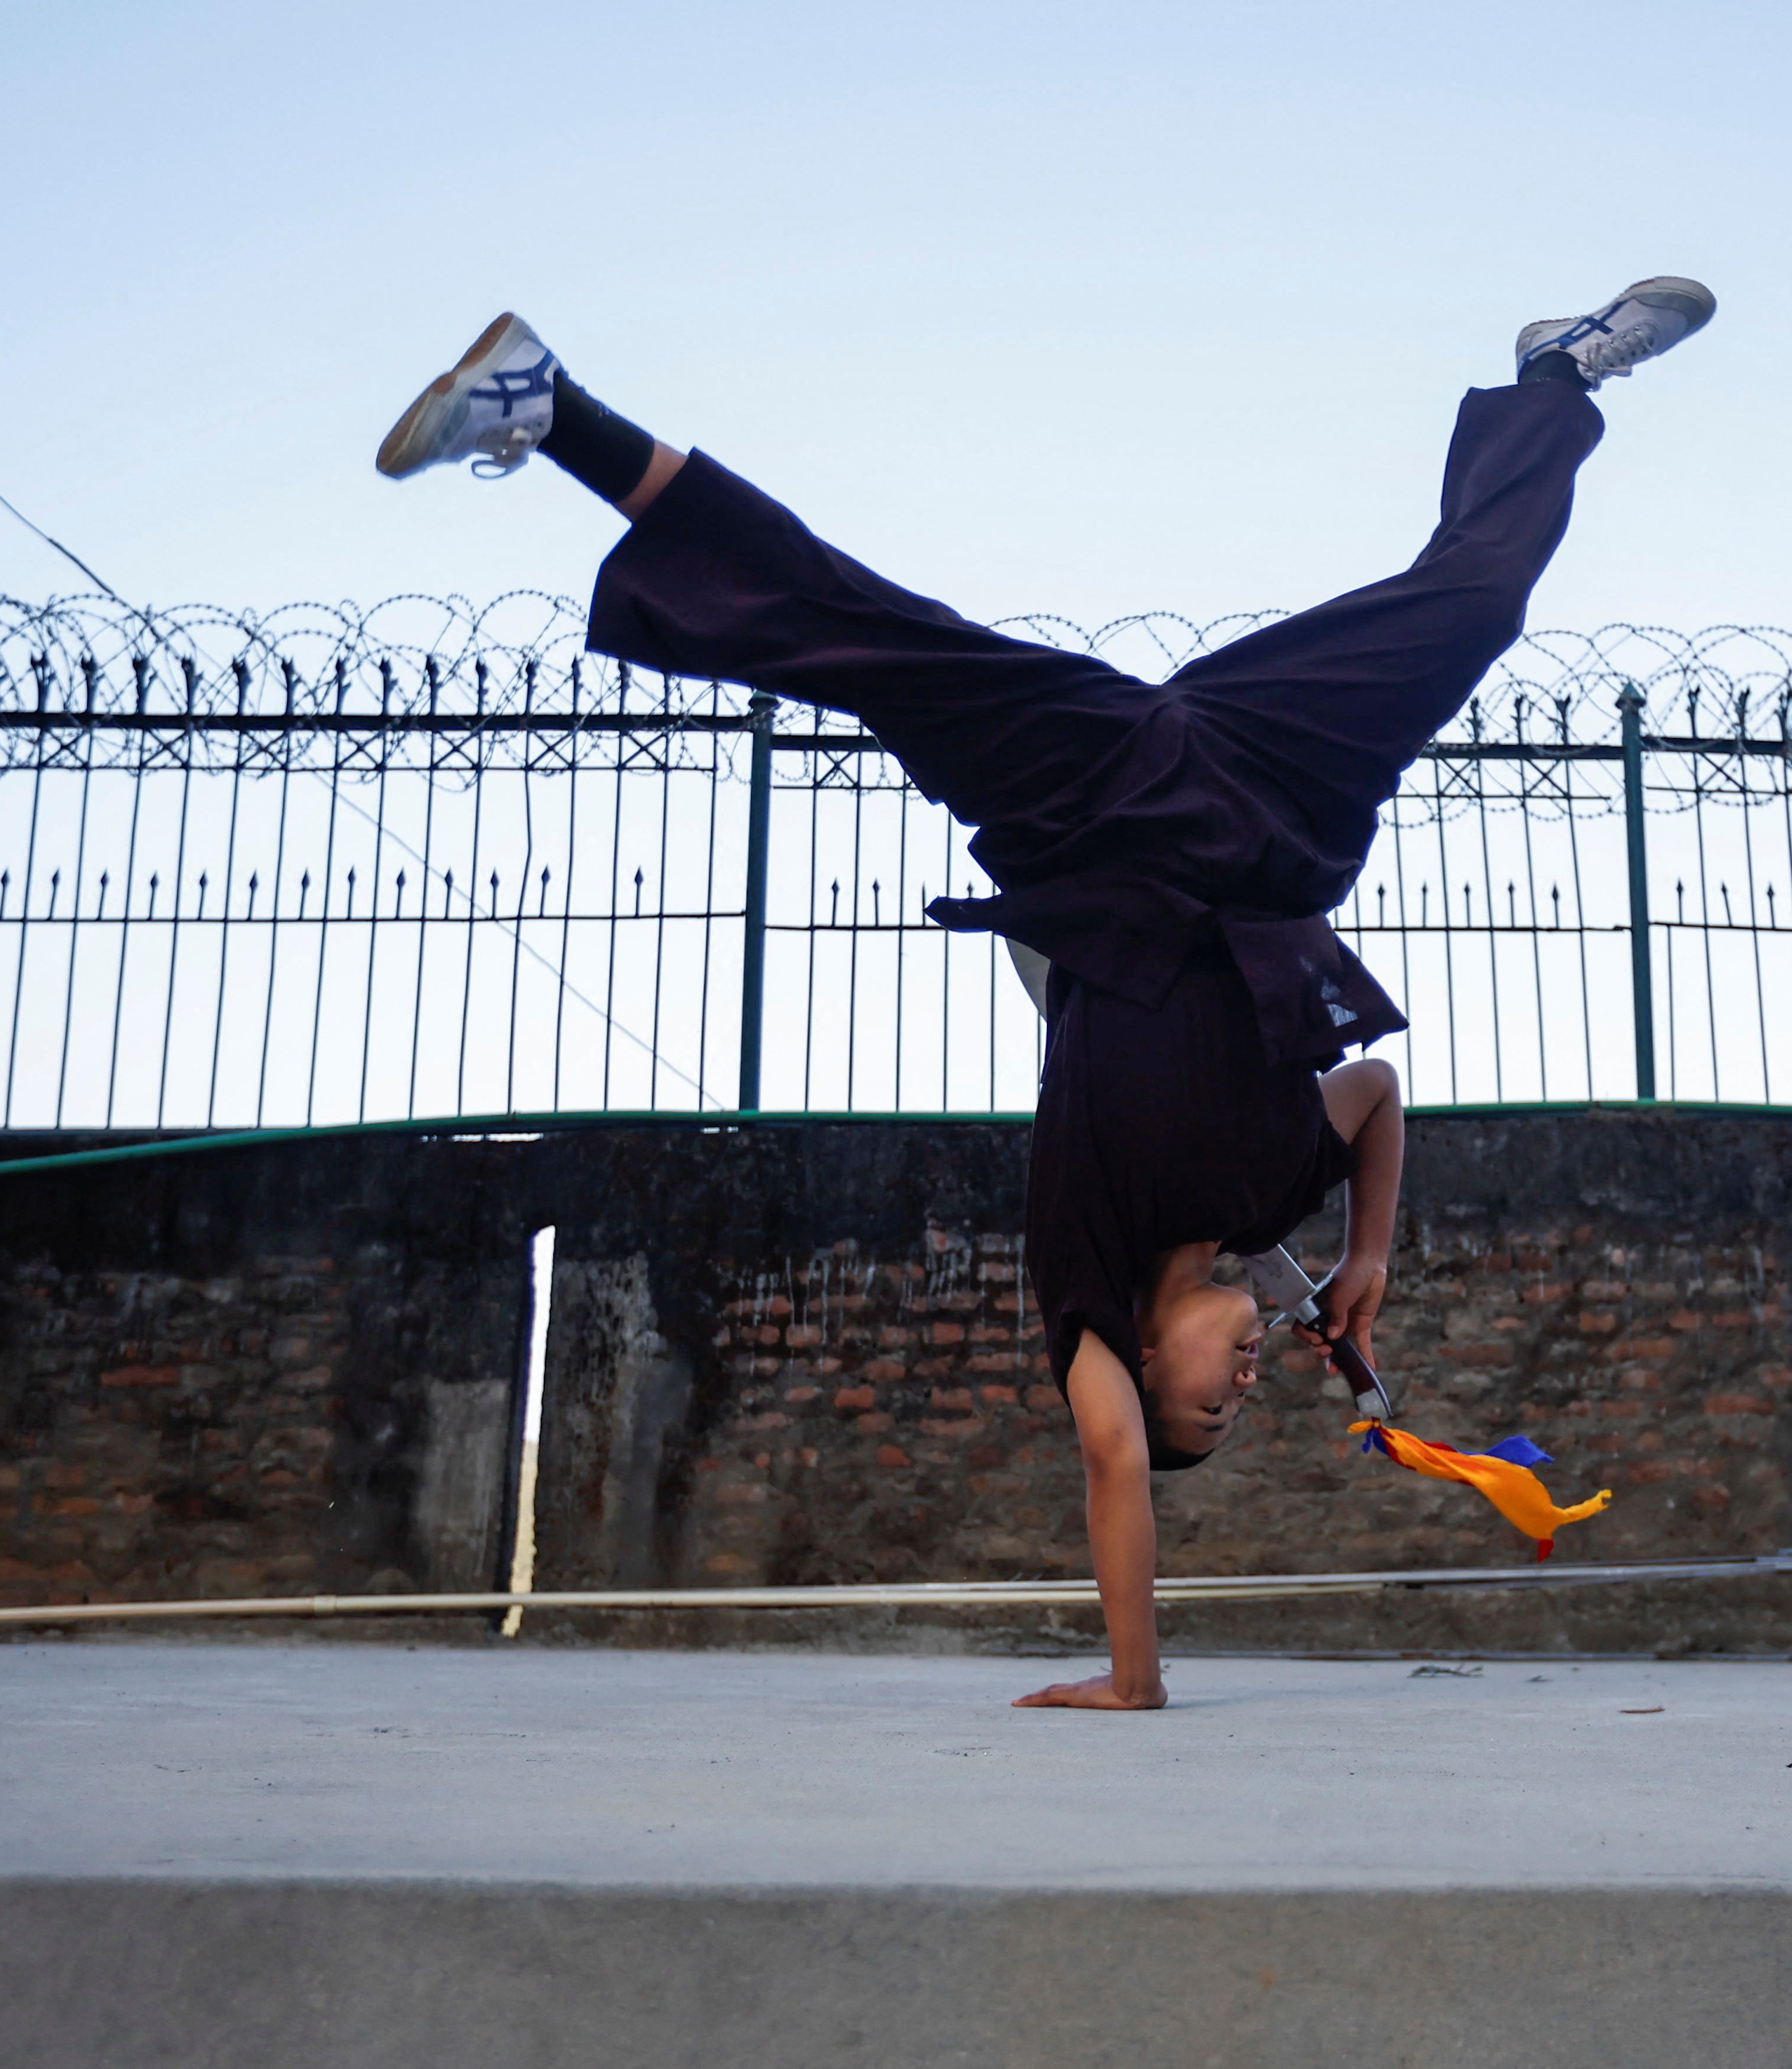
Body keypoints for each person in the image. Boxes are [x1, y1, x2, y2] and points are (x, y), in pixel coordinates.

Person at [373, 279, 1713, 1708]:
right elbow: (1377, 1095)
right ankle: (1557, 381)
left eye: (1208, 1396)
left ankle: (548, 408)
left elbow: (1115, 1460)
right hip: (1273, 800)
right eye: (1244, 1402)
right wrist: (1370, 1255)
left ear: (1137, 1362)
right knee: (1476, 601)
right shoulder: (1268, 1190)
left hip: (1098, 799)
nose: (1242, 1382)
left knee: (869, 635)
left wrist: (1135, 1678)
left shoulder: (1084, 1275)